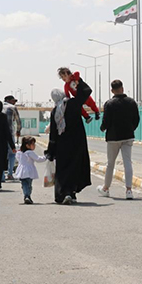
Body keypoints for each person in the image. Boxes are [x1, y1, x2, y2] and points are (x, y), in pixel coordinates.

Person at [47, 68, 93, 205]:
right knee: (75, 167)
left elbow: (53, 133)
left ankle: (65, 193)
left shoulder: (55, 111)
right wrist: (77, 81)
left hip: (62, 146)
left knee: (63, 170)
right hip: (77, 143)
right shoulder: (73, 104)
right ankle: (72, 193)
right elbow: (87, 92)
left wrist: (51, 150)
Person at [96, 79, 139, 200]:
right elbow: (136, 119)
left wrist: (102, 128)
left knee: (110, 163)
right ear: (122, 88)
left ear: (112, 90)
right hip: (128, 136)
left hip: (113, 137)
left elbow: (106, 121)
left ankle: (106, 188)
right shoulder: (131, 102)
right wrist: (131, 128)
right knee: (127, 162)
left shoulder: (109, 104)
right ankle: (129, 190)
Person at [14, 136, 47, 204]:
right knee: (29, 185)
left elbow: (17, 158)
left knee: (24, 184)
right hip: (29, 171)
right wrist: (46, 157)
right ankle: (27, 196)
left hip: (21, 171)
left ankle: (26, 195)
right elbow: (38, 159)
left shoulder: (20, 153)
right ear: (27, 145)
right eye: (33, 144)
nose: (34, 146)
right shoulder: (30, 153)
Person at [2, 95, 21, 181]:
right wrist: (18, 131)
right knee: (12, 154)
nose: (15, 103)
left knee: (2, 155)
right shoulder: (13, 107)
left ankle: (1, 175)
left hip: (0, 135)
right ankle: (10, 174)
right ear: (8, 100)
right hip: (10, 133)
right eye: (14, 101)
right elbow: (18, 121)